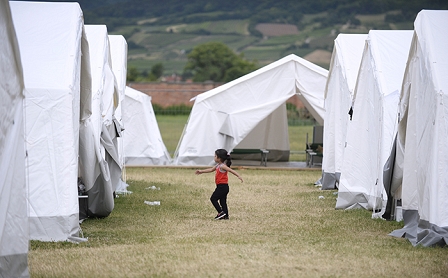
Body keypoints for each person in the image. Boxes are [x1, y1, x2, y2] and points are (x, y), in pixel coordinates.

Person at [195, 149, 243, 220]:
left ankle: (220, 213)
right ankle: (226, 216)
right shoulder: (218, 165)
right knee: (223, 202)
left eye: (215, 156)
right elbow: (211, 170)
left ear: (219, 158)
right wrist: (201, 171)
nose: (214, 157)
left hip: (222, 187)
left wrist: (238, 176)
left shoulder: (222, 166)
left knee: (213, 199)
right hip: (223, 187)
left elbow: (231, 170)